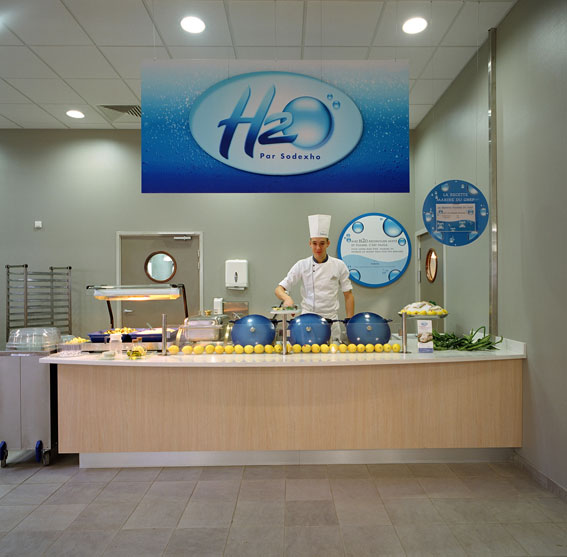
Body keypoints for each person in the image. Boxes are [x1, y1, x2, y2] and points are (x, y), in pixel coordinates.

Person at [275, 214, 354, 341]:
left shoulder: (339, 265)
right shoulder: (302, 265)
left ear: (328, 243)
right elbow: (279, 289)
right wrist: (287, 298)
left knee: (332, 353)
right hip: (307, 321)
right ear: (310, 243)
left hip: (331, 321)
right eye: (315, 243)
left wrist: (350, 323)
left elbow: (348, 295)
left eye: (322, 243)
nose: (318, 248)